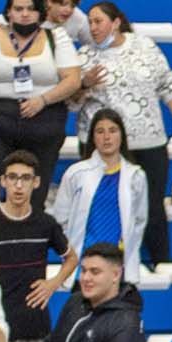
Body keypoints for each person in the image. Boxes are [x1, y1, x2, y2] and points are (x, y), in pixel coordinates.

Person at [70, 2, 172, 266]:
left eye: (98, 21)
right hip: (102, 145)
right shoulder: (84, 57)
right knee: (106, 206)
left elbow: (168, 84)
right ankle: (102, 267)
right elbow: (71, 104)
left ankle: (161, 265)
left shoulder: (144, 46)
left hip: (149, 140)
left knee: (152, 206)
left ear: (115, 22)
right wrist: (83, 84)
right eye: (89, 22)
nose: (92, 27)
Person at [0, 149, 76, 342]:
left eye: (25, 178)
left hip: (34, 330)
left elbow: (72, 258)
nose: (18, 185)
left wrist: (52, 284)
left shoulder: (45, 224)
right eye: (13, 177)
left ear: (36, 182)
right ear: (2, 181)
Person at [0, 0, 81, 212]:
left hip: (43, 121)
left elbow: (73, 79)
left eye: (31, 9)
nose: (25, 14)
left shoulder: (57, 37)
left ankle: (30, 232)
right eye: (18, 9)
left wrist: (43, 100)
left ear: (41, 13)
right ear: (8, 13)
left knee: (34, 194)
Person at [50, 107, 147, 284]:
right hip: (81, 263)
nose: (106, 137)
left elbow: (140, 220)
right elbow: (60, 218)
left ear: (122, 135)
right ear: (93, 137)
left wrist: (128, 249)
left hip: (119, 264)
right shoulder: (75, 173)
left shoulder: (136, 176)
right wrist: (71, 251)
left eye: (113, 130)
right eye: (100, 131)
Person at [0, 0, 92, 47]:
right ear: (49, 2)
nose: (69, 10)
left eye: (73, 6)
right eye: (63, 4)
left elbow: (93, 44)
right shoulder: (31, 12)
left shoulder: (78, 17)